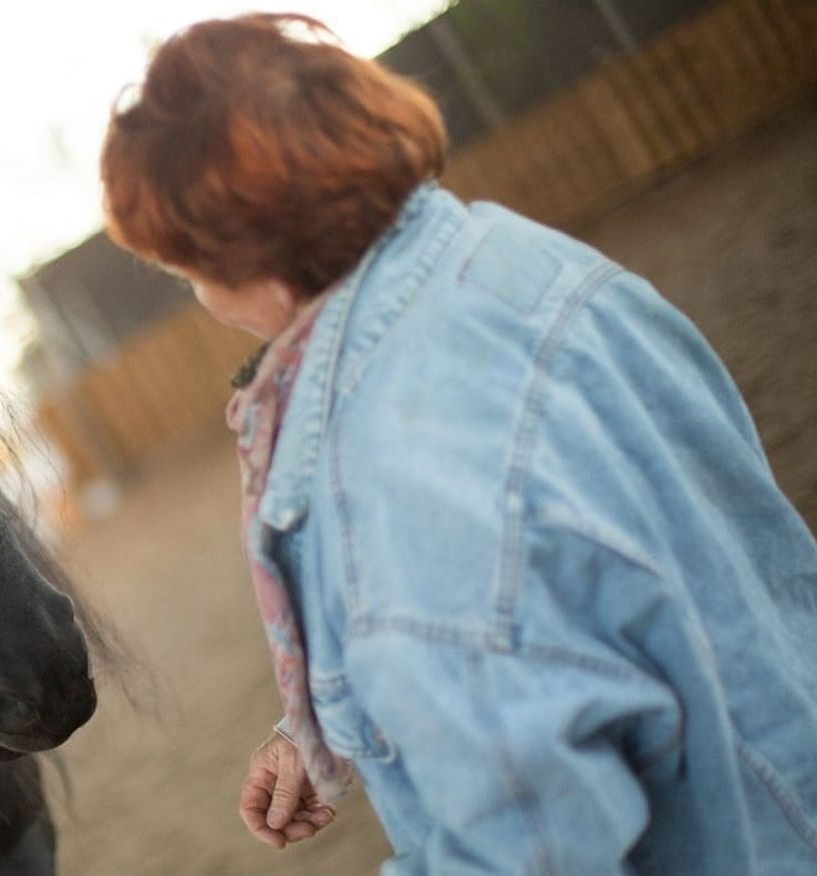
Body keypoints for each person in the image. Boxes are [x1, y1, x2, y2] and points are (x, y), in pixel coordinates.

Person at [100, 13, 817, 874]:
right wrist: (336, 727)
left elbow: (536, 847)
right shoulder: (521, 264)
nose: (196, 296)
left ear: (253, 263)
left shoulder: (387, 479)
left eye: (187, 268)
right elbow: (564, 602)